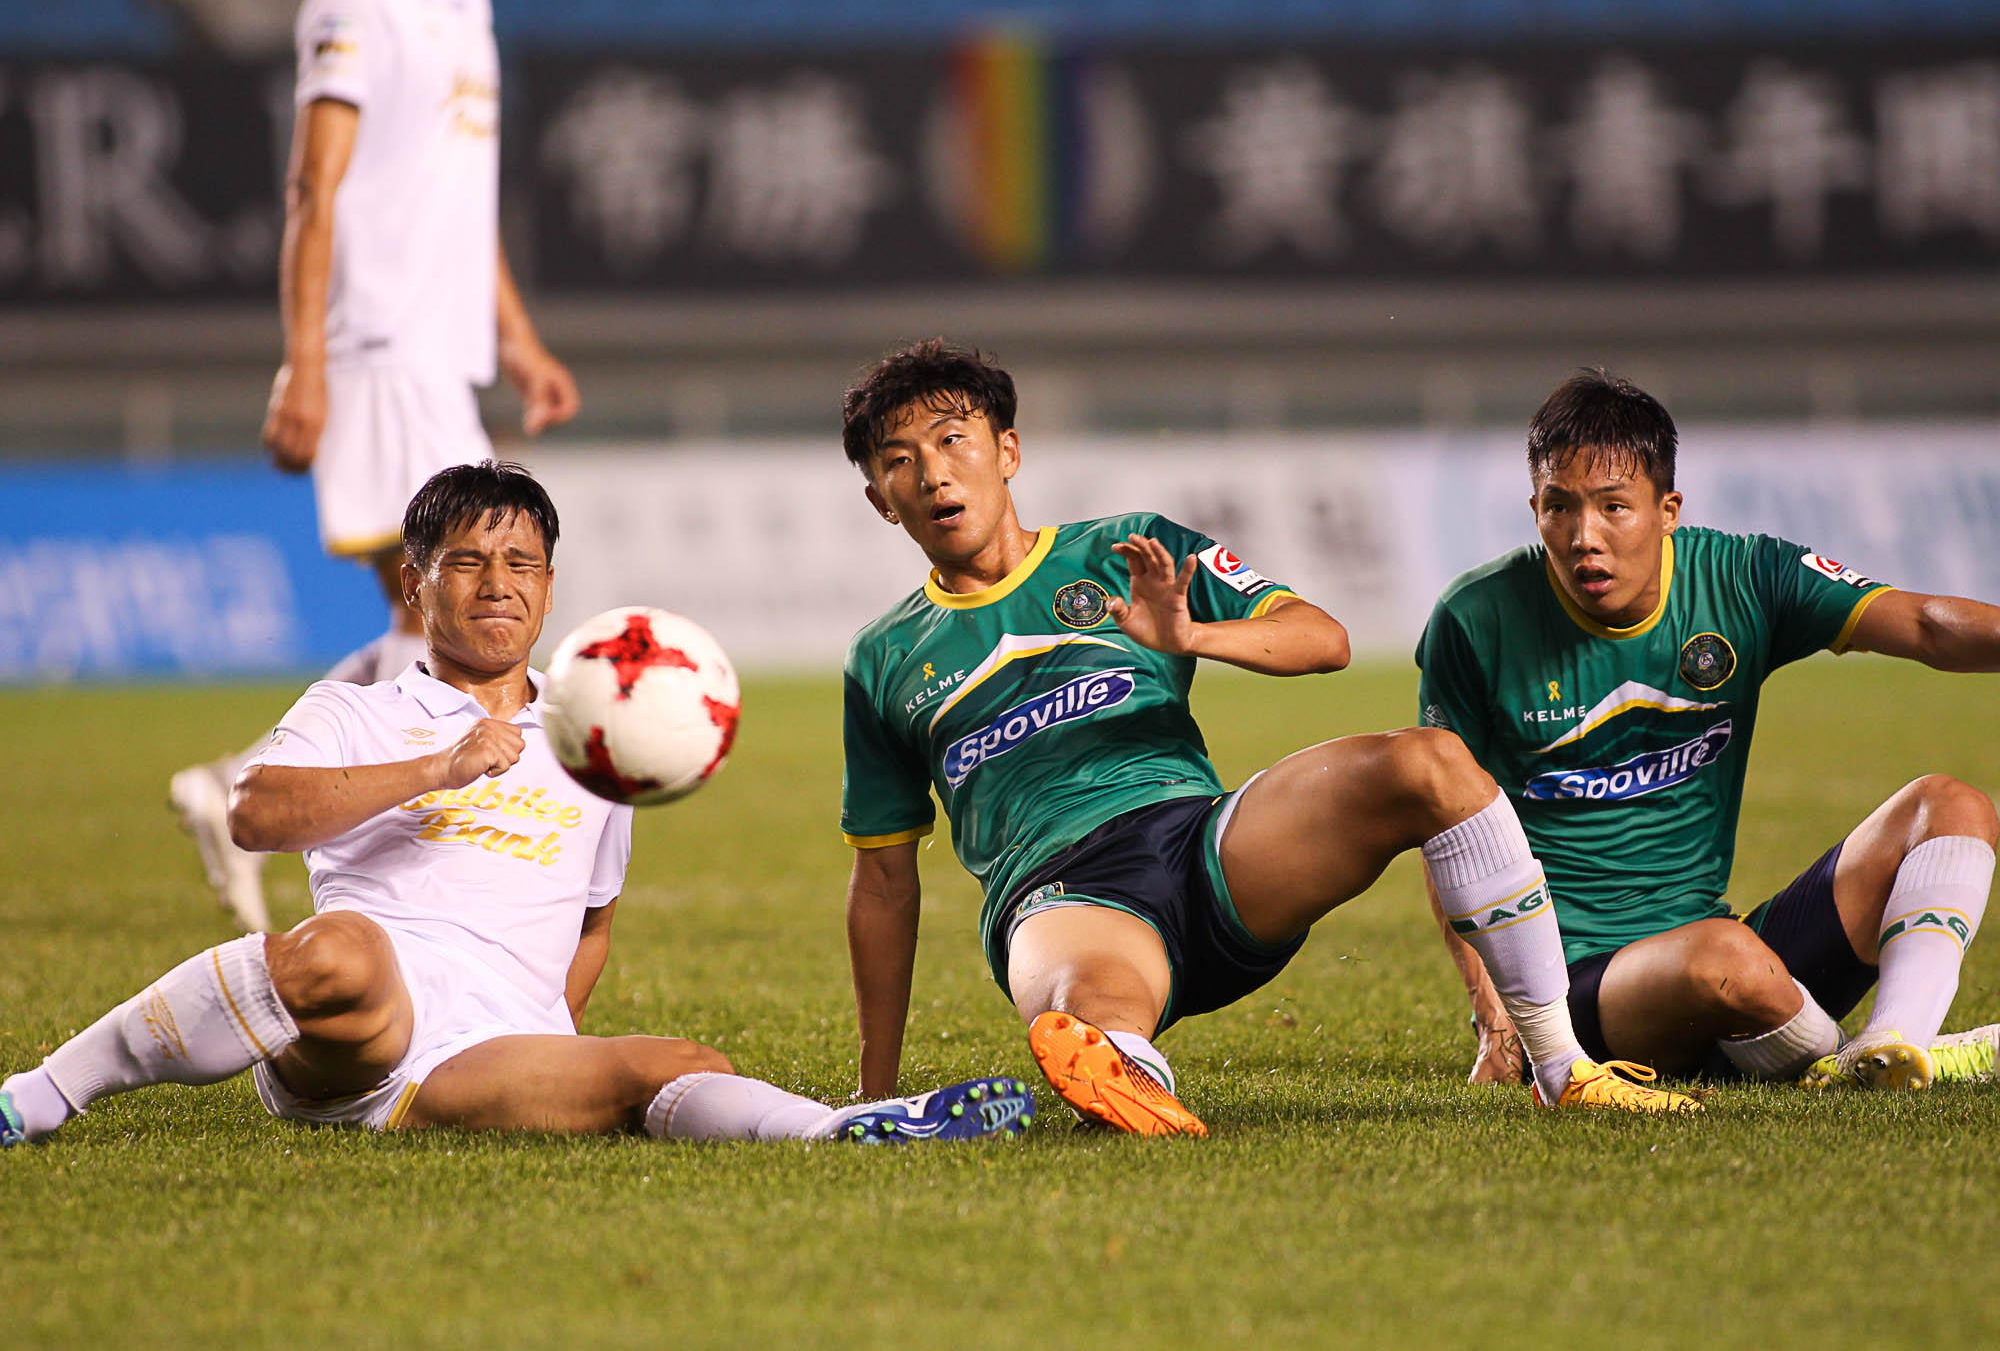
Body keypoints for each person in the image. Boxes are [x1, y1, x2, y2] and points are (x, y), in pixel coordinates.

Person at [3, 463, 1032, 1150]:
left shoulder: (594, 730)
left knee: (680, 1065)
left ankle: (838, 1131)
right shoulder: (361, 708)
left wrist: (548, 1028)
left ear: (548, 588)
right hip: (362, 1019)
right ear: (415, 584)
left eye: (522, 564)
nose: (498, 585)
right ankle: (42, 1092)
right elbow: (255, 815)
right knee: (338, 952)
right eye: (468, 562)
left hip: (483, 1051)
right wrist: (435, 770)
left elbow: (594, 916)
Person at [836, 340, 1699, 1137]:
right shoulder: (885, 659)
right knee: (1085, 1004)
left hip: (1212, 848)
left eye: (954, 442)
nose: (934, 476)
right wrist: (877, 1095)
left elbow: (1323, 640)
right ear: (880, 500)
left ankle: (1562, 1064)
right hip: (1062, 894)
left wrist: (1194, 638)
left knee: (1431, 764)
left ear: (1008, 450)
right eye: (900, 462)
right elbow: (882, 884)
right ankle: (1131, 1075)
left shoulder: (1124, 552)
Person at [1419, 370, 2000, 1092]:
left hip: (1729, 947)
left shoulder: (1744, 577)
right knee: (1724, 960)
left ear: (1668, 511)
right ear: (1534, 508)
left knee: (1952, 806)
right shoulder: (1475, 620)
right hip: (1576, 986)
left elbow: (1923, 624)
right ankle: (1842, 1054)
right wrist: (1499, 1021)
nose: (1583, 538)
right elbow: (1444, 832)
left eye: (1613, 507)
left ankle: (1894, 1046)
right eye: (1558, 507)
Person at [169, 0, 580, 934]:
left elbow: (459, 198)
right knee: (442, 594)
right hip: (380, 346)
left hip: (443, 355)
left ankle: (237, 780)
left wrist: (515, 341)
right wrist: (303, 364)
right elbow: (314, 181)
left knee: (445, 605)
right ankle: (264, 787)